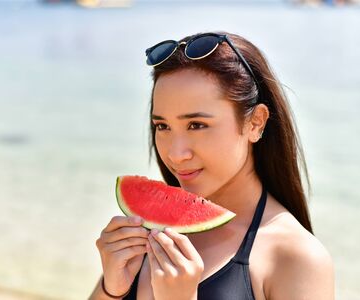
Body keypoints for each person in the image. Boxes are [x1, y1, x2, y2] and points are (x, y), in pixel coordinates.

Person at [89, 31, 334, 299]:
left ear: (255, 123)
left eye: (197, 125)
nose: (175, 153)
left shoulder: (297, 259)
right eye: (163, 126)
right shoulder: (146, 231)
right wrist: (111, 290)